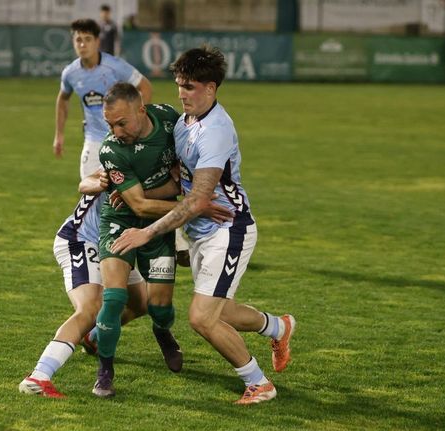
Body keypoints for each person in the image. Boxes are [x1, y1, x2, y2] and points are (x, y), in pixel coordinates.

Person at [111, 46, 296, 405]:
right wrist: (132, 192)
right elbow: (183, 184)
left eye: (191, 86)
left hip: (229, 229)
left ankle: (259, 383)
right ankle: (279, 326)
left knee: (201, 317)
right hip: (201, 231)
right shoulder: (184, 122)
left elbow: (198, 199)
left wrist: (147, 231)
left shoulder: (216, 130)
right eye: (180, 84)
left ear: (211, 88)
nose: (182, 93)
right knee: (220, 310)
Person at [91, 82, 233, 398]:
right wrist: (195, 207)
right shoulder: (112, 149)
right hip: (120, 223)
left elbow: (179, 169)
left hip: (160, 228)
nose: (115, 130)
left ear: (141, 110)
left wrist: (178, 190)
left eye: (121, 122)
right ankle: (105, 371)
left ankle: (162, 332)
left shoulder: (169, 118)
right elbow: (137, 205)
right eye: (109, 124)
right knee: (113, 299)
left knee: (161, 308)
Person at [18, 170, 180, 397]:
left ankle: (92, 336)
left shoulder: (160, 164)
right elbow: (88, 182)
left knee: (142, 303)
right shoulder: (128, 156)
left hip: (119, 244)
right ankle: (39, 376)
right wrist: (99, 183)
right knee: (91, 308)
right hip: (83, 241)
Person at [54, 18, 152, 180]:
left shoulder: (115, 66)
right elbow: (63, 99)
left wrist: (137, 121)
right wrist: (59, 134)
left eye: (87, 39)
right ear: (73, 42)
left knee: (125, 195)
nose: (83, 45)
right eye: (78, 40)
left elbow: (145, 87)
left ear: (97, 41)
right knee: (89, 191)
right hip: (93, 139)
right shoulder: (70, 73)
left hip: (122, 139)